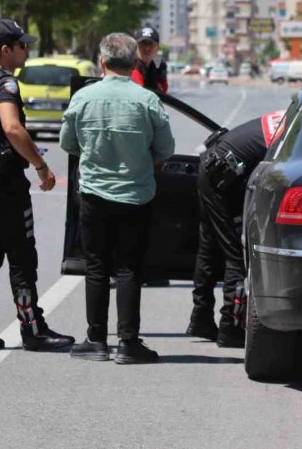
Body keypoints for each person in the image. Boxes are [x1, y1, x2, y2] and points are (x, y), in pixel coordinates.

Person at [61, 33, 175, 364]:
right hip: (136, 196)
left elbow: (68, 143)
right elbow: (166, 148)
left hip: (94, 195)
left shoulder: (83, 98)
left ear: (102, 62)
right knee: (129, 269)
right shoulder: (147, 100)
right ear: (133, 61)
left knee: (96, 268)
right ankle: (128, 344)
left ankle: (96, 341)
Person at [0, 18, 75, 352]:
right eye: (21, 46)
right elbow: (12, 128)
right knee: (22, 255)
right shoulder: (5, 84)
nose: (26, 51)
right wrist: (40, 166)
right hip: (4, 182)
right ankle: (33, 330)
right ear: (5, 50)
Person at [186, 110, 285, 347]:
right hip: (224, 176)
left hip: (212, 166)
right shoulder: (298, 129)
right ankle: (230, 326)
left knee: (209, 247)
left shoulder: (288, 117)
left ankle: (200, 318)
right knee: (236, 253)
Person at [131, 26, 168, 94]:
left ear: (157, 48)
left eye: (151, 44)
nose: (147, 48)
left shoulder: (160, 68)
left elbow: (163, 93)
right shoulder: (129, 67)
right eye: (143, 43)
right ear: (135, 47)